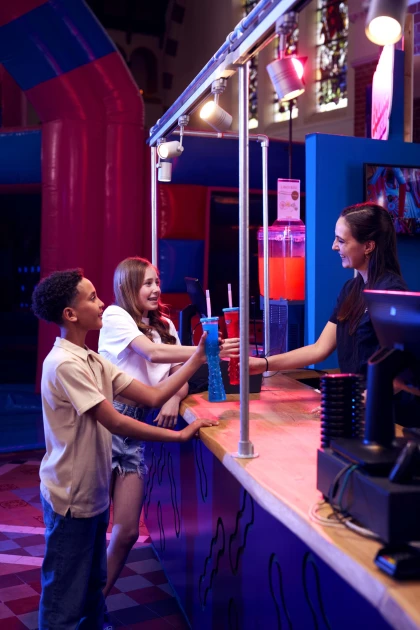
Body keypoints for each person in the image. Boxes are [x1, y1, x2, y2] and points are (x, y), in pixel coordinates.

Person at [32, 269, 218, 630]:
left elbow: (152, 395)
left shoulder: (91, 359)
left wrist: (197, 359)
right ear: (70, 314)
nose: (101, 303)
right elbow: (116, 422)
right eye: (91, 298)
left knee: (90, 590)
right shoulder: (65, 364)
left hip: (92, 494)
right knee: (63, 602)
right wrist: (178, 437)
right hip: (70, 498)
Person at [98, 256, 239, 601]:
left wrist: (174, 397)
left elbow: (179, 375)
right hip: (106, 425)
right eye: (146, 283)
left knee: (127, 532)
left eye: (157, 282)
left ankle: (94, 603)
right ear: (128, 287)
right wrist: (207, 349)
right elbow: (152, 354)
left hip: (135, 429)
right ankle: (78, 612)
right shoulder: (116, 316)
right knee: (91, 528)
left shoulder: (165, 325)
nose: (155, 289)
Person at [250, 203, 407, 379]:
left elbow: (400, 371)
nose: (334, 246)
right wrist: (263, 364)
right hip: (354, 394)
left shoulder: (392, 292)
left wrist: (363, 395)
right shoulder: (350, 289)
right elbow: (320, 349)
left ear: (368, 246)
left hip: (376, 397)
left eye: (341, 241)